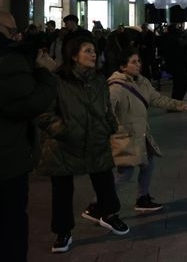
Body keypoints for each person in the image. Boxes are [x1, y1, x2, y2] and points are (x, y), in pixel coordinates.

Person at [36, 38, 129, 254]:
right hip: (64, 145)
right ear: (73, 55)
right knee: (62, 190)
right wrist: (63, 130)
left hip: (96, 139)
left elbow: (106, 108)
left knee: (104, 179)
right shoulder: (57, 81)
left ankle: (109, 214)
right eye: (88, 51)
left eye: (94, 51)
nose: (94, 54)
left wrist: (110, 125)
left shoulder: (98, 80)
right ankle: (63, 231)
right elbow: (44, 113)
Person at [0, 11, 57, 262]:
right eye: (13, 30)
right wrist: (45, 73)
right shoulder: (9, 59)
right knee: (11, 224)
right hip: (7, 158)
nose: (17, 35)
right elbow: (27, 103)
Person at [107, 49, 187, 213]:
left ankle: (142, 198)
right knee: (125, 173)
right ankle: (99, 203)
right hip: (127, 136)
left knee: (148, 165)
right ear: (123, 66)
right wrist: (117, 128)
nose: (139, 65)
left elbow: (156, 98)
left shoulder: (142, 82)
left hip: (142, 134)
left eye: (139, 61)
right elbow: (106, 110)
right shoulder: (115, 87)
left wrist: (177, 104)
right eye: (134, 62)